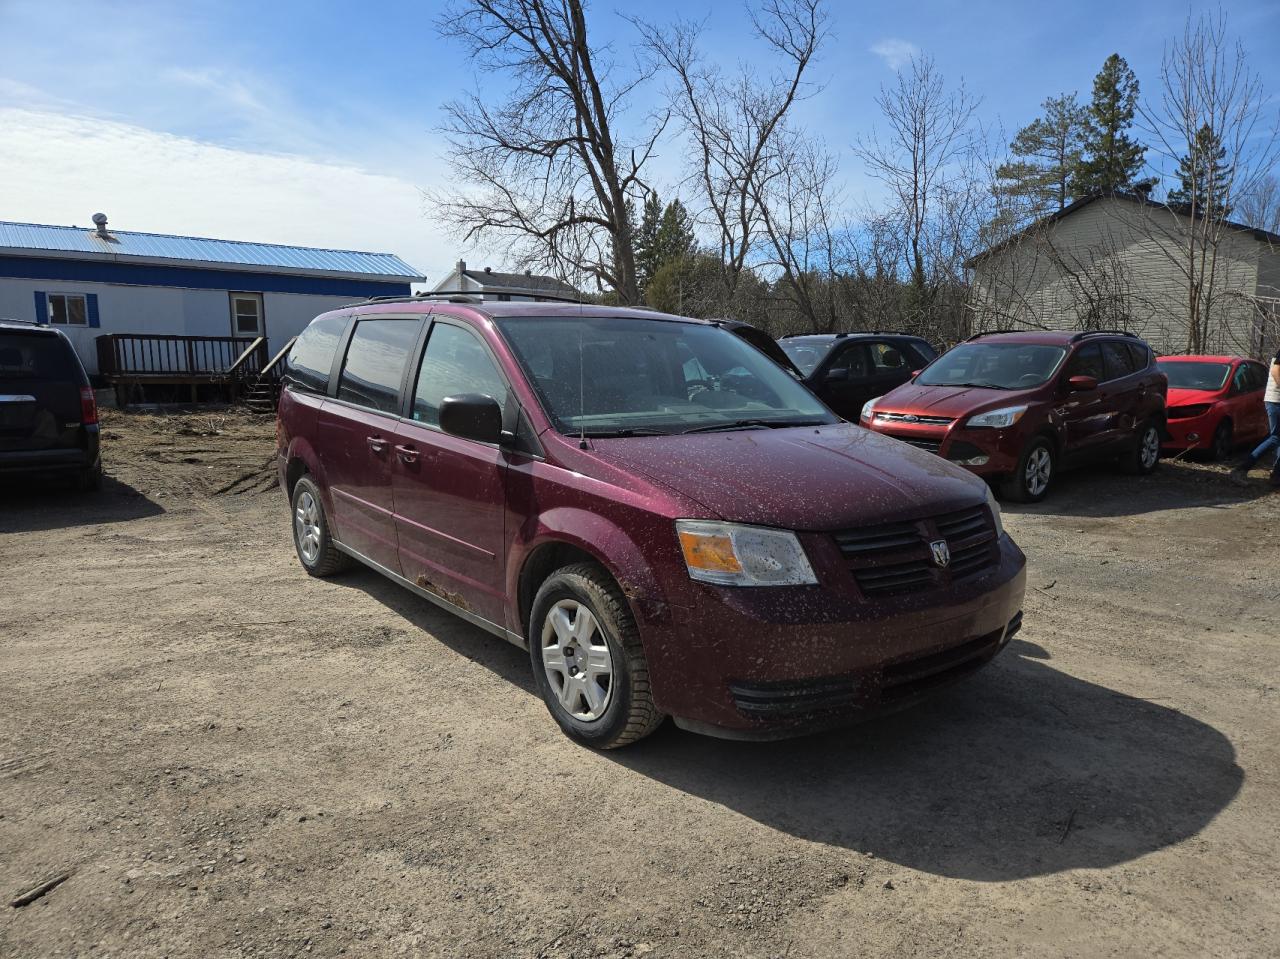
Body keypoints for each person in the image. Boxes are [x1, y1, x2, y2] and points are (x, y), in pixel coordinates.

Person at [1231, 346, 1280, 487]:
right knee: (1276, 437)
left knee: (1278, 437)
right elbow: (1275, 370)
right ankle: (1241, 469)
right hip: (1276, 400)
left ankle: (1276, 476)